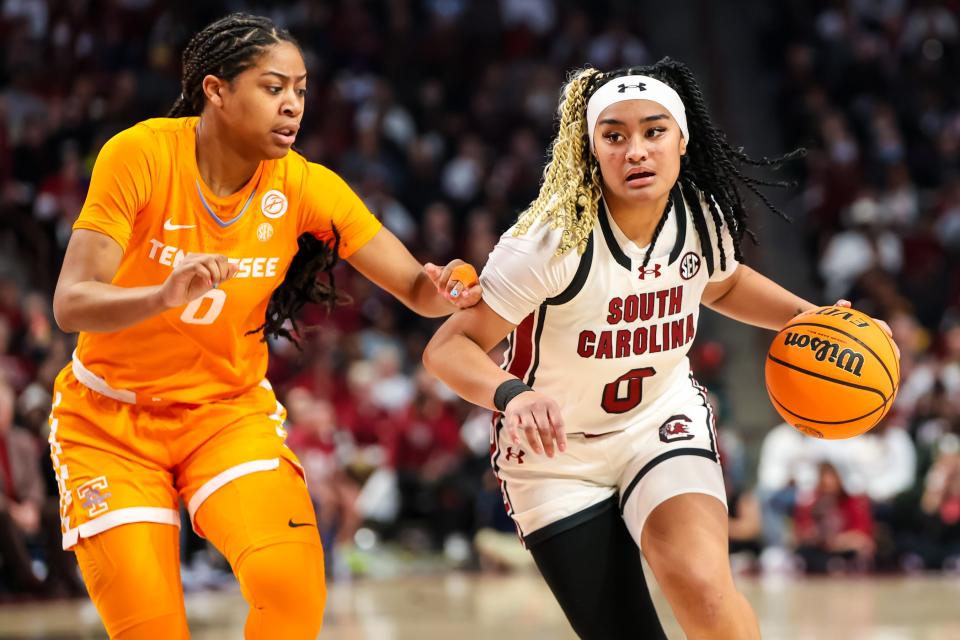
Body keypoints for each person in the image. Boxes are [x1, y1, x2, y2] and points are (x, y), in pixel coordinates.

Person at [423, 59, 898, 639]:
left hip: (658, 422)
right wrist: (511, 395)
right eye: (615, 136)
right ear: (592, 149)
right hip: (554, 454)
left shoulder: (700, 213)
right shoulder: (547, 240)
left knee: (704, 588)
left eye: (653, 131)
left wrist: (809, 317)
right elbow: (449, 348)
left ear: (682, 138)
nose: (636, 151)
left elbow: (720, 281)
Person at [49, 13, 479, 640]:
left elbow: (417, 288)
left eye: (301, 90)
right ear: (216, 90)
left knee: (292, 589)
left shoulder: (304, 184)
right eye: (273, 87)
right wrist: (163, 294)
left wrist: (448, 286)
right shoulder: (139, 153)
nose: (292, 107)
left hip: (225, 414)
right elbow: (70, 302)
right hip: (108, 422)